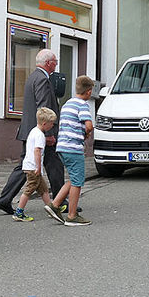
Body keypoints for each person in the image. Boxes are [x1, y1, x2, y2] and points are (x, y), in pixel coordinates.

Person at [0, 49, 64, 215]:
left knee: (24, 167)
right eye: (55, 60)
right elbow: (43, 106)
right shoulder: (42, 79)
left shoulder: (33, 77)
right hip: (40, 132)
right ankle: (61, 201)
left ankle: (4, 199)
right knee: (54, 165)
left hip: (30, 131)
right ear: (48, 63)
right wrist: (48, 134)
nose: (56, 63)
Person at [50, 75, 95, 225]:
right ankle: (72, 215)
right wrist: (87, 134)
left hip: (62, 147)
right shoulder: (82, 105)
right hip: (73, 147)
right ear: (88, 92)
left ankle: (55, 205)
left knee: (75, 178)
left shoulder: (67, 103)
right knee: (77, 182)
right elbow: (89, 125)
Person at [12, 107, 64, 223]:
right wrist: (38, 167)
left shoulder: (34, 131)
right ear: (45, 123)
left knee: (44, 190)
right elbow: (37, 151)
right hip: (33, 168)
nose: (52, 126)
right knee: (29, 190)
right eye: (51, 124)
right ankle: (19, 212)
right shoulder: (40, 135)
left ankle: (51, 208)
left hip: (30, 166)